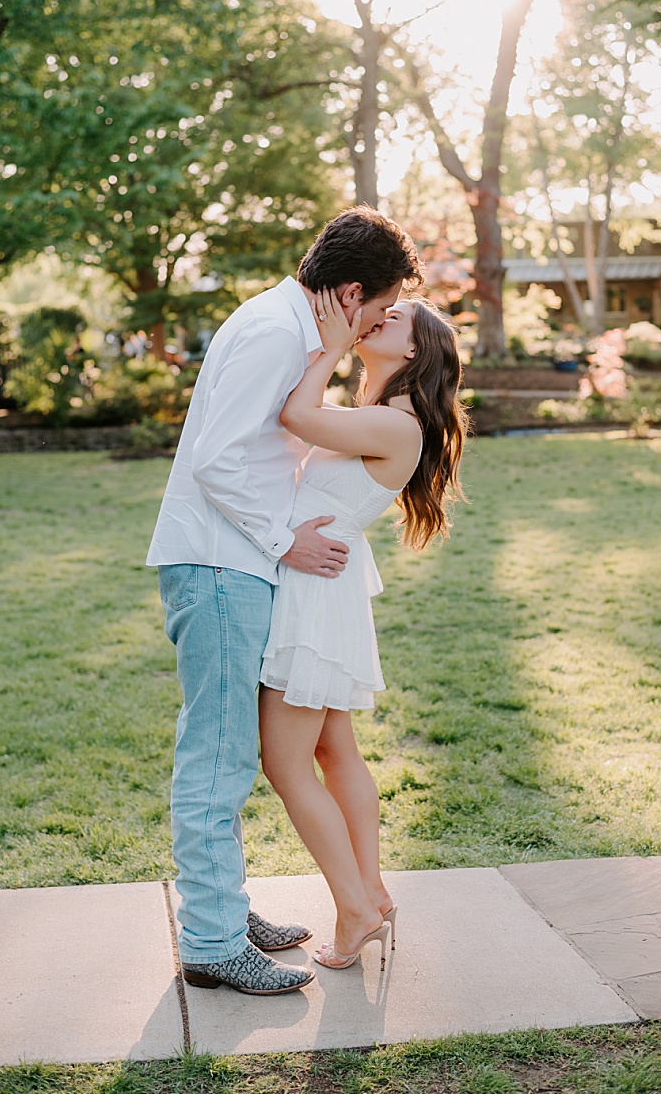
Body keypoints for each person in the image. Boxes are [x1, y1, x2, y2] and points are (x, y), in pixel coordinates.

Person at [146, 207, 421, 995]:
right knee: (220, 752)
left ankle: (221, 910)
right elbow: (216, 458)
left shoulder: (291, 329)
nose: (377, 321)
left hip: (236, 561)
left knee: (233, 746)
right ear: (355, 290)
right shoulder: (276, 331)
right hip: (224, 562)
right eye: (381, 305)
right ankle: (210, 938)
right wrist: (284, 539)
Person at [261, 294, 466, 974]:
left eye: (396, 317)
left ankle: (353, 907)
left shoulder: (395, 422)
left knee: (287, 762)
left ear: (414, 352)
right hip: (324, 584)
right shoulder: (382, 413)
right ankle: (372, 892)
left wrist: (331, 344)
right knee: (333, 749)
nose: (380, 316)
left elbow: (295, 416)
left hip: (317, 593)